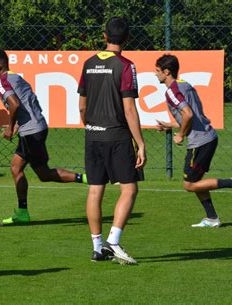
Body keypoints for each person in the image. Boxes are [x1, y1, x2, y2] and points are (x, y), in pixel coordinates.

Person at [0, 49, 87, 226]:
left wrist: (10, 128)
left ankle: (88, 178)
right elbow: (28, 103)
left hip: (32, 132)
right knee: (16, 167)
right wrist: (18, 125)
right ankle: (23, 211)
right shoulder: (17, 78)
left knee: (44, 174)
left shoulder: (1, 82)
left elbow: (15, 104)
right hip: (36, 127)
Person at [77, 17, 146, 265]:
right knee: (129, 188)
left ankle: (97, 247)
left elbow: (82, 106)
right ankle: (113, 242)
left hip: (92, 135)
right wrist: (140, 142)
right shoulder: (126, 66)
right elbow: (129, 108)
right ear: (127, 39)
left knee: (95, 190)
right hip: (116, 136)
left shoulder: (88, 63)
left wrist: (91, 127)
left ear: (104, 36)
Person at [155, 54, 232, 227]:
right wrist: (170, 125)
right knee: (196, 182)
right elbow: (190, 116)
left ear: (166, 72)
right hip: (208, 138)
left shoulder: (171, 91)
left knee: (189, 185)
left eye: (157, 71)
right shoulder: (185, 85)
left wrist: (180, 134)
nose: (155, 74)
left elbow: (188, 114)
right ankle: (211, 218)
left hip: (200, 142)